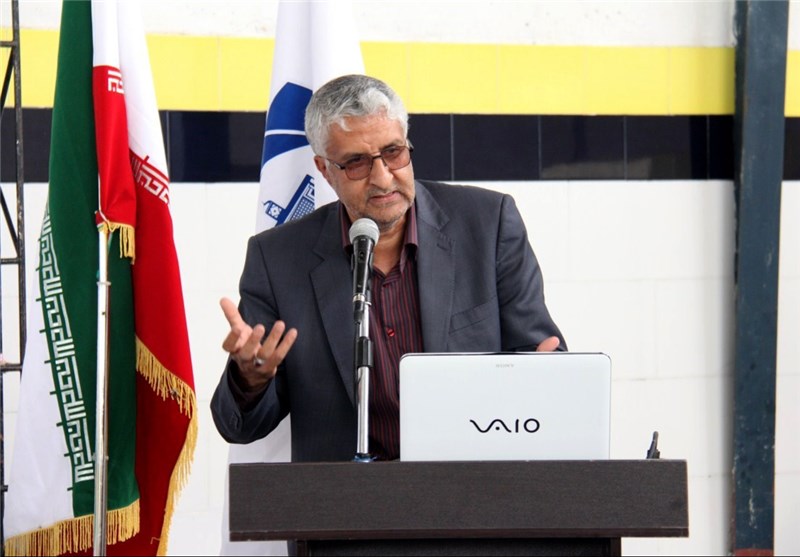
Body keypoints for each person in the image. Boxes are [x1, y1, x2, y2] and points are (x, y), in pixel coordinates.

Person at [211, 74, 566, 462]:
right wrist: (250, 379)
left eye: (393, 152)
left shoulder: (488, 224)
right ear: (325, 169)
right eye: (356, 163)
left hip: (470, 485)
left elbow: (539, 356)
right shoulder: (277, 259)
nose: (382, 179)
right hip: (342, 495)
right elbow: (239, 427)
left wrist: (542, 379)